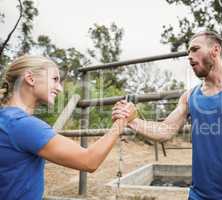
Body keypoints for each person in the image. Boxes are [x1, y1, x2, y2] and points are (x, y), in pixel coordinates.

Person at [112, 31, 222, 200]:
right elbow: (164, 131)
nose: (189, 56)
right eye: (188, 52)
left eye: (194, 49)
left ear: (215, 50)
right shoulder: (189, 97)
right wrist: (132, 120)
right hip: (200, 196)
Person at [0, 55, 136, 200]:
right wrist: (122, 120)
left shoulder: (6, 119)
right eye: (55, 79)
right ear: (30, 78)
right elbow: (89, 161)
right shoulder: (22, 125)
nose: (59, 88)